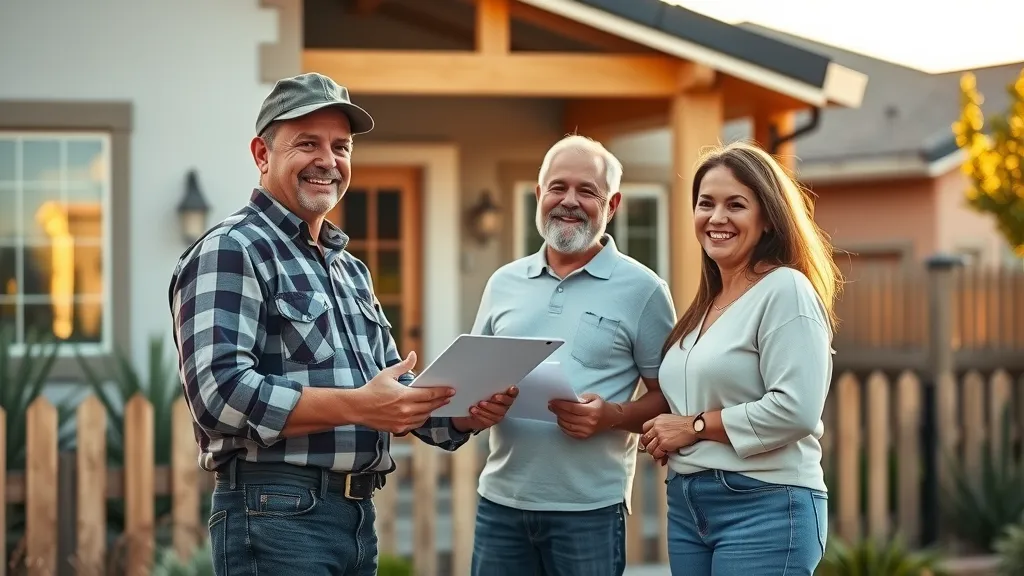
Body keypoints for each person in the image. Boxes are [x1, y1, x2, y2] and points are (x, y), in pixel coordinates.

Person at [168, 72, 518, 576]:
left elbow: (390, 390)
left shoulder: (348, 268)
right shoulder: (232, 248)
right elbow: (219, 396)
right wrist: (362, 406)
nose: (328, 161)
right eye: (307, 143)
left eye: (341, 146)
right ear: (262, 155)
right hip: (274, 512)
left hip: (355, 515)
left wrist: (464, 412)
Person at [468, 134, 677, 576]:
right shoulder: (503, 282)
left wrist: (611, 416)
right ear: (538, 194)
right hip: (499, 504)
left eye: (587, 190)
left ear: (613, 204)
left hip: (590, 511)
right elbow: (475, 382)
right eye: (558, 187)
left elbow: (672, 401)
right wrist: (479, 404)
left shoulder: (644, 291)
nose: (569, 201)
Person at [638, 141, 840, 575]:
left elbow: (796, 410)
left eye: (736, 205)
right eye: (705, 203)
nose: (717, 217)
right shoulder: (705, 306)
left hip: (765, 503)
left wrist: (692, 427)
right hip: (688, 504)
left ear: (767, 218)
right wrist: (659, 430)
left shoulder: (786, 290)